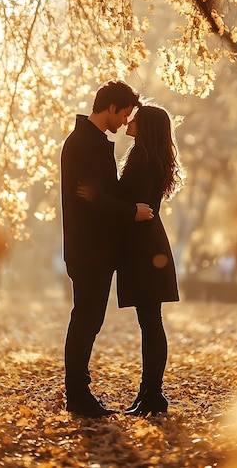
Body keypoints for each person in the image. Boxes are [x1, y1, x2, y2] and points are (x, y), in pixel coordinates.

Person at [60, 81, 154, 418]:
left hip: (93, 249)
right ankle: (77, 395)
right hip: (89, 250)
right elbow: (92, 198)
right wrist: (132, 211)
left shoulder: (94, 141)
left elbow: (98, 195)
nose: (126, 119)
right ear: (111, 108)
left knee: (88, 319)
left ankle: (78, 391)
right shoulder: (84, 143)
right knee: (85, 319)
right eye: (125, 112)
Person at [116, 104, 184, 416]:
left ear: (147, 127)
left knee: (151, 322)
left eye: (136, 118)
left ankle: (153, 395)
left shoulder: (141, 156)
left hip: (144, 248)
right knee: (151, 321)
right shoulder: (150, 156)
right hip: (148, 244)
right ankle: (150, 393)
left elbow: (127, 199)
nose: (129, 121)